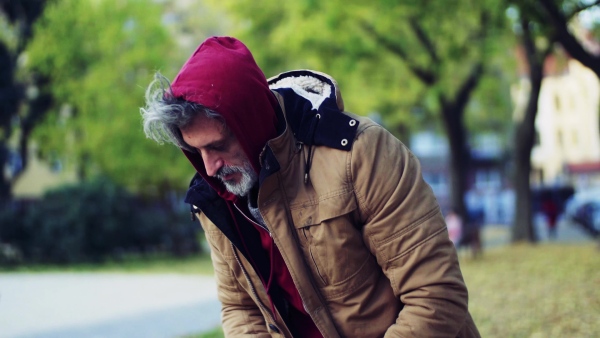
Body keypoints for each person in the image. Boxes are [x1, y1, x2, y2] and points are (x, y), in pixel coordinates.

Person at [141, 36, 480, 337]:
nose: (210, 167)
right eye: (195, 151)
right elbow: (240, 309)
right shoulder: (216, 198)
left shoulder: (362, 154)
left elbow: (435, 294)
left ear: (252, 124)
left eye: (217, 145)